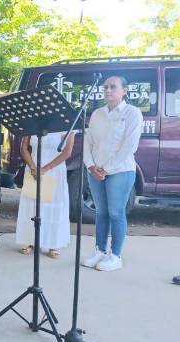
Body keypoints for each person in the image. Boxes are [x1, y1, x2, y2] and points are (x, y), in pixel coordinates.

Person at [81, 76, 142, 272]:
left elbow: (129, 147)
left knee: (116, 213)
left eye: (113, 87)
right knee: (101, 212)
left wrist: (106, 168)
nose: (108, 90)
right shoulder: (97, 113)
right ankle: (99, 250)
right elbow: (87, 142)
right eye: (105, 87)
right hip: (95, 171)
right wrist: (91, 166)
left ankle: (115, 256)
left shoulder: (133, 113)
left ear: (124, 90)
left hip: (120, 171)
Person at [16, 132, 75, 258]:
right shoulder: (33, 121)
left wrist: (46, 168)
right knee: (32, 205)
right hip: (34, 169)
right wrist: (33, 166)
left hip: (54, 170)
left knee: (53, 206)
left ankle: (54, 244)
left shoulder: (66, 123)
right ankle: (30, 240)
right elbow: (24, 148)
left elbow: (67, 152)